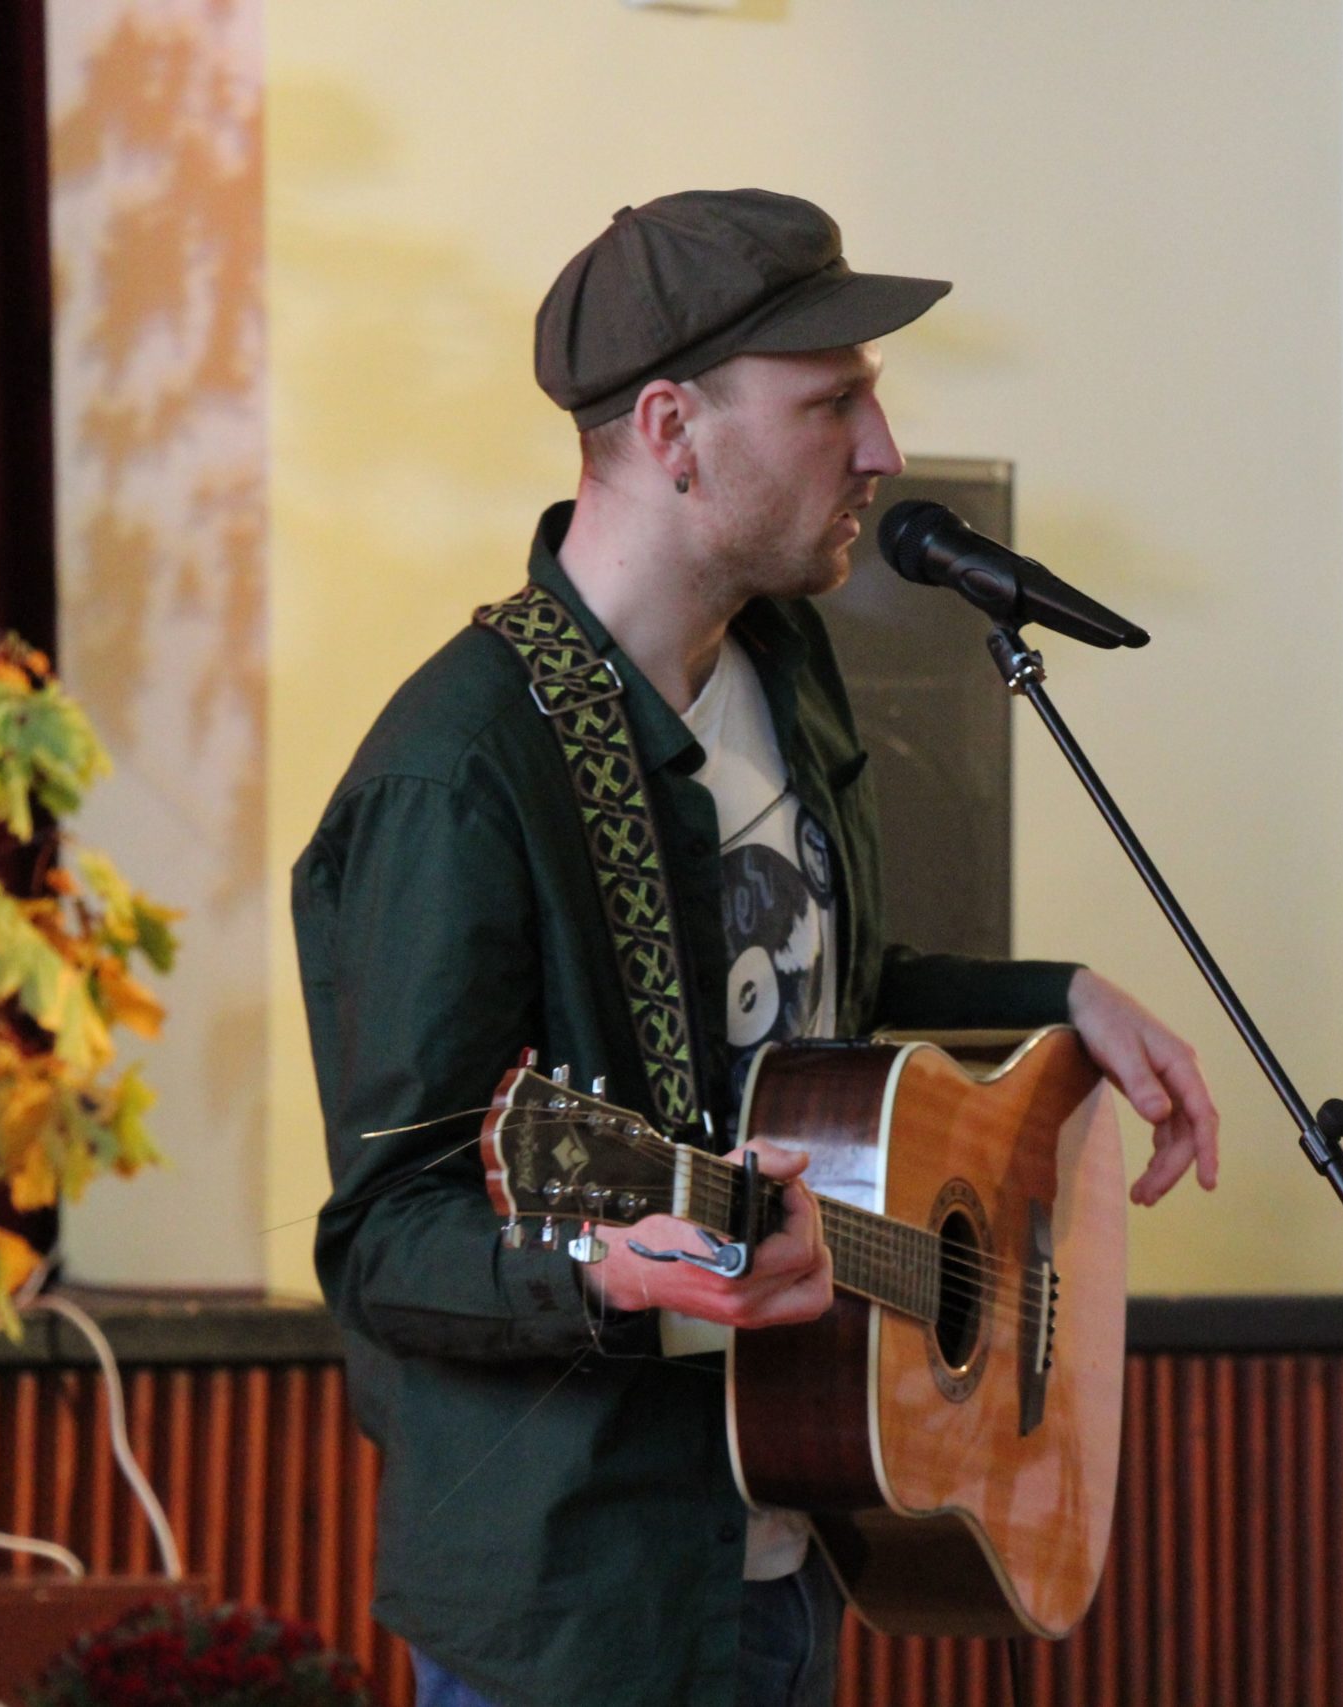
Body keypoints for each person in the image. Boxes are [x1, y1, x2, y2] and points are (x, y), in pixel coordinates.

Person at [293, 188, 1220, 1707]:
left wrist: (1060, 1001)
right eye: (833, 402)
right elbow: (388, 1237)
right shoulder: (459, 772)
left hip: (792, 1552)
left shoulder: (783, 667)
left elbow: (818, 1025)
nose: (885, 449)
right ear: (673, 429)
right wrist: (609, 1266)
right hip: (579, 1611)